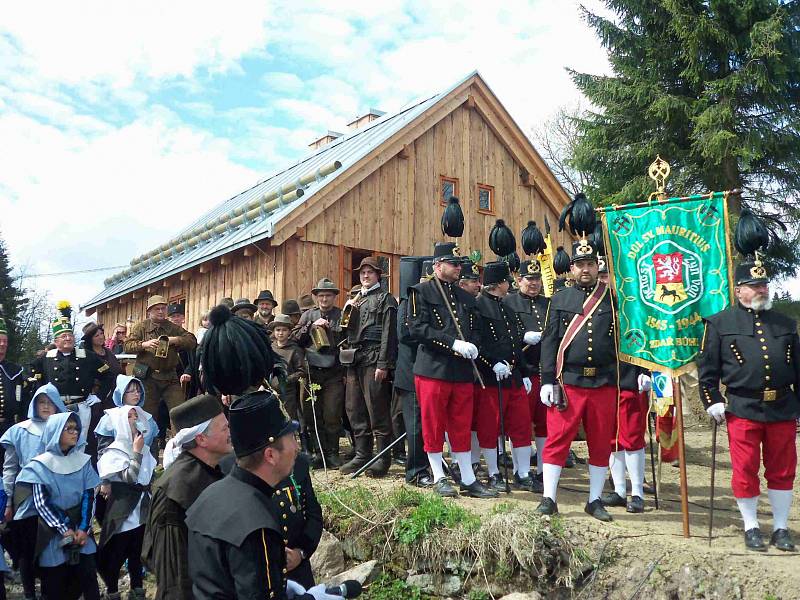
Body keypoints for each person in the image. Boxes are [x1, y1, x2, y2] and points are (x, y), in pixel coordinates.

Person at [187, 390, 337, 599]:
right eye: (291, 440)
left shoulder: (210, 496)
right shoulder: (256, 523)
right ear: (271, 455)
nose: (296, 449)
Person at [698, 253, 800, 551]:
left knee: (783, 468)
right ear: (739, 289)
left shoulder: (785, 323)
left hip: (782, 406)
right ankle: (751, 525)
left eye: (764, 285)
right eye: (754, 285)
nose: (762, 290)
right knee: (745, 468)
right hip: (743, 407)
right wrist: (712, 399)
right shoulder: (720, 323)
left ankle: (781, 528)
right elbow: (708, 370)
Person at [537, 235, 618, 522]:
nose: (586, 269)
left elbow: (625, 341)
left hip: (604, 382)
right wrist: (547, 379)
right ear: (571, 269)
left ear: (598, 266)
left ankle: (594, 499)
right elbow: (550, 340)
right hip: (568, 381)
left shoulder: (612, 298)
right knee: (558, 439)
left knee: (600, 442)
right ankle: (549, 498)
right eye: (580, 264)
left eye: (590, 264)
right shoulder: (560, 299)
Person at [406, 242, 497, 499]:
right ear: (437, 266)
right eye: (453, 263)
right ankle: (439, 475)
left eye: (459, 264)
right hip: (433, 368)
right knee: (433, 424)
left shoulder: (466, 297)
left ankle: (467, 478)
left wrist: (475, 346)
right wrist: (452, 343)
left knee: (461, 424)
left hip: (461, 371)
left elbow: (476, 328)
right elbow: (416, 328)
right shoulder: (420, 292)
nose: (459, 268)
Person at [141, 394, 229, 599]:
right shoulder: (175, 490)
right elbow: (174, 576)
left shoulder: (215, 470)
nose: (230, 433)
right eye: (224, 428)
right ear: (201, 438)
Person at [17, 412, 101, 600]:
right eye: (68, 428)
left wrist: (83, 528)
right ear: (55, 432)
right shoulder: (39, 465)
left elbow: (89, 495)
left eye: (76, 428)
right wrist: (64, 528)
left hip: (80, 531)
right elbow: (41, 502)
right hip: (53, 533)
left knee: (88, 579)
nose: (74, 432)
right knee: (55, 585)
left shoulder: (84, 461)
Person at [1, 384, 67, 600]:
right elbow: (10, 468)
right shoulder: (19, 430)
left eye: (50, 402)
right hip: (26, 495)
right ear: (34, 404)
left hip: (57, 494)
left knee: (53, 546)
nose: (46, 406)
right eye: (41, 402)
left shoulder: (67, 428)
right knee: (26, 547)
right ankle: (29, 593)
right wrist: (9, 501)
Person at [474, 261, 536, 491]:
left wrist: (525, 371)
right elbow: (477, 344)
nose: (509, 285)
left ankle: (522, 472)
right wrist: (492, 364)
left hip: (513, 377)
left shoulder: (506, 307)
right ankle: (493, 473)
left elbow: (515, 344)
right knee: (490, 427)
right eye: (507, 281)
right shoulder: (478, 307)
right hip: (491, 378)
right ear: (499, 283)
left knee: (521, 426)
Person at [29, 305, 113, 461]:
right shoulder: (46, 358)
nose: (67, 338)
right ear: (55, 341)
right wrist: (43, 397)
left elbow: (108, 376)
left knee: (79, 444)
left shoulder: (87, 356)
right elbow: (32, 373)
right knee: (54, 442)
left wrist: (98, 396)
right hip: (56, 408)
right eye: (63, 336)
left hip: (81, 407)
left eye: (70, 335)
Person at [339, 258, 398, 477]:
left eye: (369, 272)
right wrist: (347, 310)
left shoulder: (386, 299)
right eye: (362, 272)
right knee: (353, 408)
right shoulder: (355, 301)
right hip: (354, 359)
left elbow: (389, 335)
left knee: (377, 410)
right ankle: (362, 455)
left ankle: (382, 458)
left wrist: (384, 364)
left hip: (374, 359)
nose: (365, 276)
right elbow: (342, 332)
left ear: (377, 275)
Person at [96, 401, 156, 600]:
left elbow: (148, 478)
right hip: (123, 509)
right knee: (116, 553)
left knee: (136, 552)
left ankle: (137, 588)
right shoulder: (114, 451)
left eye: (135, 416)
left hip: (142, 509)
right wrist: (136, 453)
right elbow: (130, 478)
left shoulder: (144, 448)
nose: (134, 420)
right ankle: (112, 589)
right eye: (129, 416)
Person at [502, 259, 548, 492]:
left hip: (546, 374)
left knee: (545, 425)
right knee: (520, 426)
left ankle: (543, 470)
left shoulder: (548, 304)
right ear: (518, 280)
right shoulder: (508, 303)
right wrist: (522, 337)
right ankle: (522, 471)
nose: (534, 283)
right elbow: (503, 337)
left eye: (537, 279)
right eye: (529, 279)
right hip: (523, 373)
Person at [292, 278, 346, 469]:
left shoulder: (341, 315)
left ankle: (332, 454)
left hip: (334, 372)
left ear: (334, 297)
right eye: (321, 295)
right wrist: (311, 325)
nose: (324, 299)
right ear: (316, 297)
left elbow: (348, 338)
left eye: (328, 295)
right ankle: (317, 453)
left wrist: (333, 330)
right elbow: (295, 338)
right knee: (311, 415)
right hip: (310, 372)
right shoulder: (307, 315)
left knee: (332, 414)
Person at [124, 295, 197, 428]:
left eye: (163, 308)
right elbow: (127, 346)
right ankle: (148, 446)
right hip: (148, 378)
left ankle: (181, 445)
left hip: (170, 377)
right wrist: (144, 344)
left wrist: (175, 340)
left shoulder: (172, 327)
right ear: (149, 311)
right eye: (157, 309)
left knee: (180, 412)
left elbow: (192, 341)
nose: (161, 311)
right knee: (147, 416)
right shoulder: (141, 327)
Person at [395, 263, 434, 487]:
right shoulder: (407, 303)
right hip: (410, 373)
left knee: (427, 423)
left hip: (426, 372)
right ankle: (415, 471)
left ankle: (428, 465)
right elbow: (404, 334)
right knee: (415, 425)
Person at [268, 452, 322, 589]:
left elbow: (313, 515)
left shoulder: (298, 463)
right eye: (290, 437)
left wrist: (301, 552)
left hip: (299, 573)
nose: (296, 445)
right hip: (265, 576)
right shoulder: (234, 467)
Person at [601, 364, 651, 513]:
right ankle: (619, 490)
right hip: (606, 381)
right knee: (612, 439)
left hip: (631, 380)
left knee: (632, 438)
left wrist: (645, 371)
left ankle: (637, 493)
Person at [95, 375, 160, 467]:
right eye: (132, 391)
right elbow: (103, 450)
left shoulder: (147, 418)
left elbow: (153, 449)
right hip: (117, 469)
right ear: (122, 393)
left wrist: (152, 468)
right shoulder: (110, 418)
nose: (136, 394)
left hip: (144, 468)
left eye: (138, 391)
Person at [269, 315, 307, 447]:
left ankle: (291, 449)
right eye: (278, 330)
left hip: (288, 393)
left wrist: (287, 379)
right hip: (271, 392)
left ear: (289, 332)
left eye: (284, 330)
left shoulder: (294, 349)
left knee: (289, 422)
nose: (280, 333)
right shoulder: (270, 348)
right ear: (274, 331)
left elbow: (302, 371)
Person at [81, 322, 124, 402]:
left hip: (116, 394)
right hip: (98, 397)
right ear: (90, 339)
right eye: (96, 336)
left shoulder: (108, 352)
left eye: (101, 333)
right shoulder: (87, 356)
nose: (101, 337)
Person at [0, 316, 25, 444]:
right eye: (0, 340)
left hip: (9, 428)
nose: (3, 344)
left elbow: (21, 399)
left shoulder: (15, 370)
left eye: (5, 341)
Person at [168, 303, 200, 400]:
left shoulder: (189, 337)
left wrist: (188, 372)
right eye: (173, 316)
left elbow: (194, 358)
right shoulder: (163, 338)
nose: (175, 319)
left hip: (185, 380)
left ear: (183, 318)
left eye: (178, 316)